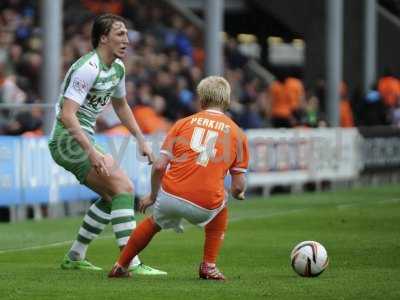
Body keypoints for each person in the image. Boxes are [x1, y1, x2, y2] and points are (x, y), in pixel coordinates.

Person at [48, 13, 166, 275]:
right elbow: (67, 115)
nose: (126, 40)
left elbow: (121, 105)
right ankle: (130, 263)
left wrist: (141, 140)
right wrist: (91, 152)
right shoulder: (88, 68)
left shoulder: (118, 68)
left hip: (83, 138)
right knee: (124, 187)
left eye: (127, 35)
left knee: (111, 195)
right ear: (103, 38)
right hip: (67, 139)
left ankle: (75, 256)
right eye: (120, 34)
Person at [108, 75, 249, 280]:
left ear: (201, 101)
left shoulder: (182, 124)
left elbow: (159, 166)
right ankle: (208, 266)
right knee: (221, 210)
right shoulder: (238, 134)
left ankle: (120, 265)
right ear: (227, 102)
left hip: (170, 195)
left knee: (154, 222)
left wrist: (153, 195)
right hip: (205, 204)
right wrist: (239, 192)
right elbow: (237, 185)